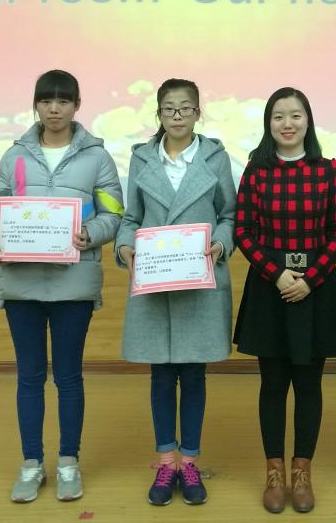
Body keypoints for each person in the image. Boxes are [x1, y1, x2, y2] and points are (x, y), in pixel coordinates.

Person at [0, 69, 124, 504]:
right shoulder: (14, 157)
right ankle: (31, 464)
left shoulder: (98, 158)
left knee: (68, 377)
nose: (54, 109)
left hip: (73, 286)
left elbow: (114, 213)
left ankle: (68, 462)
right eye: (46, 101)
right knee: (29, 377)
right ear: (36, 105)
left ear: (76, 105)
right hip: (22, 285)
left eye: (63, 101)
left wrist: (91, 233)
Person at [115, 78, 236, 506]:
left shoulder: (215, 157)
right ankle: (166, 462)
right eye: (169, 108)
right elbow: (131, 218)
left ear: (198, 113)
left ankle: (190, 462)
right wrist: (125, 247)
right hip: (156, 282)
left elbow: (229, 214)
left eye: (185, 108)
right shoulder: (142, 158)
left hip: (200, 279)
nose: (178, 115)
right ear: (159, 114)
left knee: (195, 374)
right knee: (162, 375)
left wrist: (221, 243)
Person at [233, 86, 336, 514]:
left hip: (315, 290)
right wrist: (278, 273)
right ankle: (274, 472)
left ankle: (302, 473)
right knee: (272, 385)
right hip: (270, 288)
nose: (288, 124)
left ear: (308, 121)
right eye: (279, 116)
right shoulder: (256, 171)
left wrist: (310, 279)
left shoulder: (327, 169)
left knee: (308, 385)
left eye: (296, 115)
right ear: (269, 124)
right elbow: (243, 230)